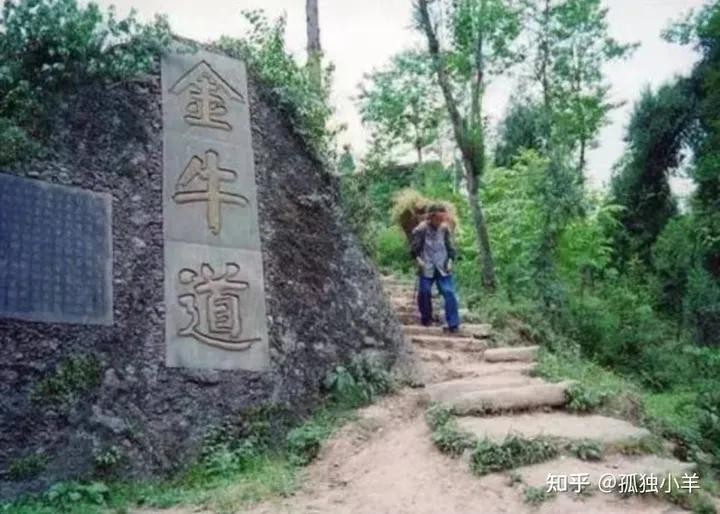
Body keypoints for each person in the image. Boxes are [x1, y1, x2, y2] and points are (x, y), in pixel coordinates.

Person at [410, 204, 461, 332]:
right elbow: (414, 250)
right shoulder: (421, 229)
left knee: (449, 292)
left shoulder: (445, 229)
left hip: (443, 266)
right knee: (424, 291)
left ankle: (453, 324)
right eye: (437, 219)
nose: (439, 222)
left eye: (441, 219)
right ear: (431, 217)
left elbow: (451, 248)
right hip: (427, 265)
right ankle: (426, 318)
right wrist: (419, 261)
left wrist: (450, 261)